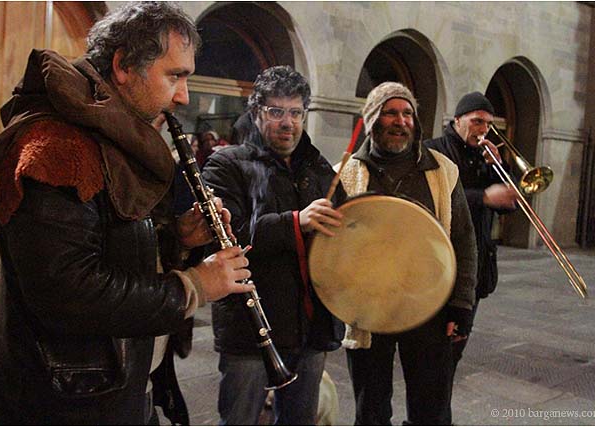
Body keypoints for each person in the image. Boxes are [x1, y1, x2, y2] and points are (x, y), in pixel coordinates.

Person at [0, 2, 253, 425]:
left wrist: (179, 239)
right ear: (123, 65)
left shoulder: (117, 140)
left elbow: (113, 248)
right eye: (174, 76)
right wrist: (194, 286)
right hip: (68, 407)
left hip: (119, 388)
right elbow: (69, 293)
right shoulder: (58, 147)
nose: (183, 96)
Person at [202, 65, 347, 425]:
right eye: (276, 111)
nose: (288, 122)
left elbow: (343, 231)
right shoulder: (226, 163)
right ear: (256, 113)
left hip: (310, 327)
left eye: (296, 112)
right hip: (250, 328)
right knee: (240, 419)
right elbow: (228, 235)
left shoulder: (318, 168)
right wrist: (296, 222)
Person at [338, 82, 477, 425]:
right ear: (373, 119)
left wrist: (461, 304)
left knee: (432, 411)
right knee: (371, 412)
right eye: (390, 113)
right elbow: (333, 246)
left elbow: (463, 239)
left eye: (407, 113)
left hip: (429, 303)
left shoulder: (443, 171)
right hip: (370, 308)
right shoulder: (347, 173)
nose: (400, 121)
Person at [424, 92, 517, 404]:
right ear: (457, 120)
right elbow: (435, 197)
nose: (483, 130)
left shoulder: (486, 156)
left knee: (455, 347)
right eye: (477, 121)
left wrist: (499, 166)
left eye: (488, 124)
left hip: (474, 268)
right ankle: (432, 414)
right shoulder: (434, 150)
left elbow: (511, 203)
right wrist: (483, 197)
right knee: (434, 351)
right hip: (439, 264)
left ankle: (438, 410)